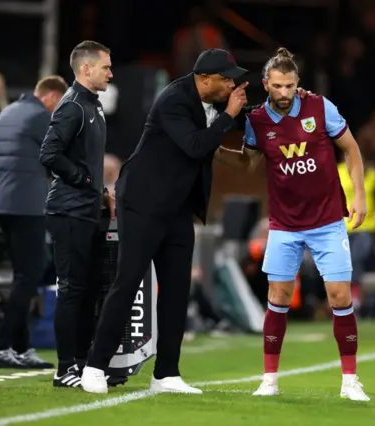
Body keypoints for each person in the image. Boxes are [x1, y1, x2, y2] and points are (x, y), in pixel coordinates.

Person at [81, 48, 249, 395]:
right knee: (127, 283)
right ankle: (95, 367)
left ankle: (166, 373)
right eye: (226, 79)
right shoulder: (174, 99)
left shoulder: (212, 104)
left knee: (176, 291)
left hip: (176, 208)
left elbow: (224, 135)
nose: (231, 85)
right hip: (143, 203)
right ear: (205, 79)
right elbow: (194, 145)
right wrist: (230, 115)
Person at [214, 48, 370, 401]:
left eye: (290, 86)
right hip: (284, 223)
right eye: (278, 86)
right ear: (266, 83)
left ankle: (350, 380)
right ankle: (269, 379)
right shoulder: (256, 120)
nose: (284, 93)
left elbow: (352, 148)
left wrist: (359, 195)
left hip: (328, 219)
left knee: (339, 295)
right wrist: (211, 147)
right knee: (278, 297)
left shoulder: (319, 107)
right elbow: (248, 166)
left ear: (298, 83)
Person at [39, 41, 116, 388]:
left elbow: (82, 158)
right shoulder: (72, 106)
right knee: (71, 289)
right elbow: (49, 154)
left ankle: (85, 365)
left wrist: (99, 191)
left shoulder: (93, 106)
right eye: (106, 67)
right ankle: (64, 368)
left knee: (86, 290)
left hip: (86, 208)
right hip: (68, 209)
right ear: (86, 69)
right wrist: (84, 180)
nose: (110, 73)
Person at [0, 76, 68, 369]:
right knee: (29, 276)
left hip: (2, 202)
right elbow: (58, 156)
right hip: (27, 204)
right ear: (52, 97)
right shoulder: (40, 117)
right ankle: (1, 345)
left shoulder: (7, 113)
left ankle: (22, 347)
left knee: (24, 274)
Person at [337, 158, 375, 309]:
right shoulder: (337, 171)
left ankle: (355, 296)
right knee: (345, 262)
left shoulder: (372, 174)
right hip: (343, 226)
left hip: (366, 226)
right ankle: (346, 296)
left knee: (355, 259)